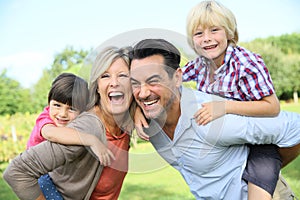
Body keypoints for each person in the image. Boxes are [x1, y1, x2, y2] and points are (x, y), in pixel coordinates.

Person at [129, 38, 300, 200]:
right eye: (135, 83)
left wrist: (262, 176)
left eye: (153, 81)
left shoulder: (212, 119)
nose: (143, 93)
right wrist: (135, 109)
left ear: (177, 78)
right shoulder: (147, 116)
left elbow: (295, 126)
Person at [182, 1, 287, 199]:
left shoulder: (246, 63)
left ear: (229, 33)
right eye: (198, 33)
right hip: (227, 149)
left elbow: (272, 107)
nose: (207, 39)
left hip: (257, 146)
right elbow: (168, 82)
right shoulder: (199, 65)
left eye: (214, 30)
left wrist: (224, 107)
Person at [3, 46, 136, 200]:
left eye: (123, 75)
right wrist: (89, 139)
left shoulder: (125, 120)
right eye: (105, 76)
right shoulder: (86, 128)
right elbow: (16, 172)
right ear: (97, 86)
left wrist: (137, 113)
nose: (114, 82)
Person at [26, 72, 113, 200]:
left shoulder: (81, 120)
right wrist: (91, 140)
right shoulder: (45, 119)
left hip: (57, 172)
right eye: (57, 105)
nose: (62, 114)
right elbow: (51, 134)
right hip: (37, 172)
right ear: (49, 102)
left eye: (71, 108)